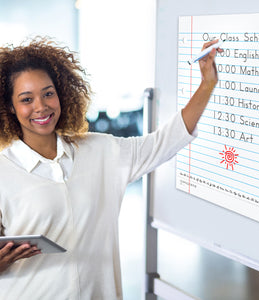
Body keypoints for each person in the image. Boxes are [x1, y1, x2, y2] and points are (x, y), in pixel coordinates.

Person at [0, 37, 221, 299]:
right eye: (27, 99)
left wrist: (207, 84)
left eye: (48, 93)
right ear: (10, 108)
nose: (41, 106)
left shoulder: (101, 151)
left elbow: (165, 141)